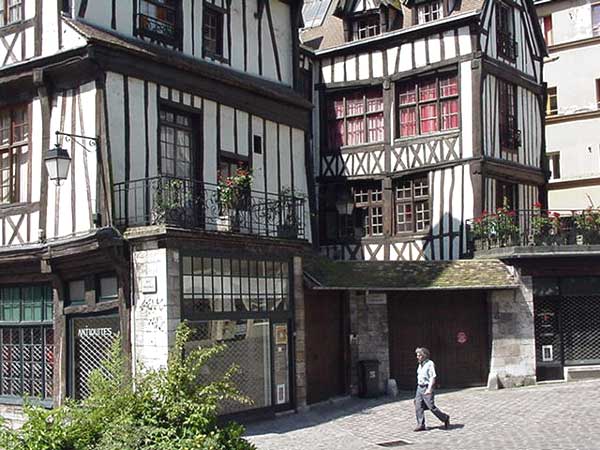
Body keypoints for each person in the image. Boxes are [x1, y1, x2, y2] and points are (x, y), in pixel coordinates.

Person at [413, 347, 450, 431]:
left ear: (424, 356)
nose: (417, 357)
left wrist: (429, 389)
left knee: (431, 407)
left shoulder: (430, 363)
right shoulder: (420, 364)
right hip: (419, 387)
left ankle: (445, 417)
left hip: (427, 387)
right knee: (418, 405)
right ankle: (420, 424)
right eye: (417, 355)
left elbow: (432, 377)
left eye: (419, 355)